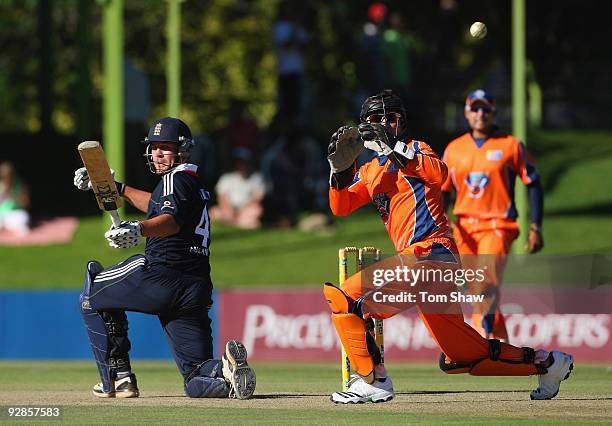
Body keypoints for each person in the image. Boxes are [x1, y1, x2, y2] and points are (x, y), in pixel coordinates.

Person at [323, 89, 572, 404]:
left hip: (431, 253)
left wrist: (394, 145)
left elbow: (438, 173)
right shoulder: (370, 170)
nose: (384, 123)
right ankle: (548, 363)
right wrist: (338, 172)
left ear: (401, 122)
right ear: (364, 126)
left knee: (346, 296)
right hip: (428, 266)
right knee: (463, 355)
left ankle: (374, 380)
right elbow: (341, 206)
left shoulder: (415, 148)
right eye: (376, 119)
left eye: (391, 118)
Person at [73, 117, 256, 399]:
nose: (157, 154)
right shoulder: (189, 182)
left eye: (165, 148)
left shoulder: (173, 179)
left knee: (92, 290)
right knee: (196, 378)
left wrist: (138, 229)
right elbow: (155, 205)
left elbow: (169, 221)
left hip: (161, 275)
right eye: (154, 147)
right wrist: (115, 186)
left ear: (183, 149)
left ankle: (118, 378)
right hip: (194, 288)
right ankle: (225, 372)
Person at [441, 90, 544, 342]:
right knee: (475, 287)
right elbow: (443, 191)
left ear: (493, 111)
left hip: (498, 224)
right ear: (466, 113)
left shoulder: (510, 145)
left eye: (485, 109)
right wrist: (442, 222)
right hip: (463, 227)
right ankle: (502, 345)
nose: (480, 114)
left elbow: (533, 182)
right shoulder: (454, 149)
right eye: (475, 109)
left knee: (485, 280)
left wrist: (535, 226)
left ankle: (481, 337)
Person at [209, 147, 266, 230]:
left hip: (246, 210)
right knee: (214, 212)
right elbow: (221, 198)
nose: (241, 164)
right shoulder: (226, 177)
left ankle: (235, 222)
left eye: (244, 162)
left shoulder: (257, 178)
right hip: (228, 210)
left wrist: (242, 211)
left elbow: (257, 199)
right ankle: (241, 223)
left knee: (257, 210)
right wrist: (230, 210)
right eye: (239, 162)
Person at [0, 161, 30, 235]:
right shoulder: (1, 186)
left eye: (8, 175)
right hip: (1, 214)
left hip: (15, 213)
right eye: (4, 175)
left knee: (23, 217)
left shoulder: (20, 186)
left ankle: (9, 228)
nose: (6, 177)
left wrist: (13, 196)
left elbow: (25, 203)